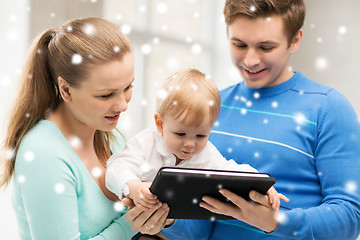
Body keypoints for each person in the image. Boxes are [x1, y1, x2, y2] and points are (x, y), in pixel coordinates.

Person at [126, 0, 360, 239]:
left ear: (295, 40)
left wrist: (277, 222)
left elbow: (351, 216)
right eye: (239, 44)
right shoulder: (211, 108)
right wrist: (166, 221)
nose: (250, 60)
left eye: (266, 47)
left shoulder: (329, 109)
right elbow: (203, 214)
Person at [0, 17, 141, 239]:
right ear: (66, 90)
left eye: (128, 87)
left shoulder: (112, 138)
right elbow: (131, 222)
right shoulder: (43, 155)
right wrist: (131, 224)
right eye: (106, 95)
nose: (123, 105)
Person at [106, 68, 287, 213]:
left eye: (200, 135)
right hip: (134, 220)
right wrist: (134, 187)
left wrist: (262, 185)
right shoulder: (145, 143)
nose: (190, 144)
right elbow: (116, 167)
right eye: (180, 134)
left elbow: (231, 171)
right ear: (160, 124)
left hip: (173, 223)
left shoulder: (207, 152)